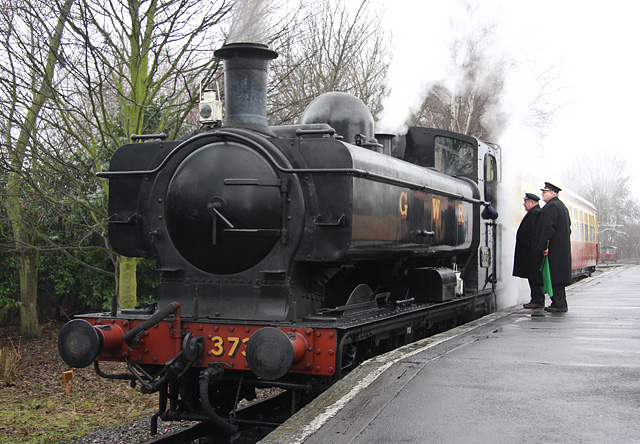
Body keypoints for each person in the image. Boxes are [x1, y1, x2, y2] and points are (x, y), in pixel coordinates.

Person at [532, 182, 572, 312]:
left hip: (553, 249)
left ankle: (559, 304)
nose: (542, 194)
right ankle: (559, 302)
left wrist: (544, 245)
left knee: (553, 276)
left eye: (545, 192)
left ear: (552, 193)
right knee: (557, 277)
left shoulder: (552, 206)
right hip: (559, 248)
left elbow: (548, 228)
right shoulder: (561, 207)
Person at [513, 193, 544, 309]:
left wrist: (528, 246)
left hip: (531, 252)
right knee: (532, 276)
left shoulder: (535, 213)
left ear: (532, 202)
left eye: (526, 202)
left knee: (534, 276)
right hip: (529, 251)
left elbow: (533, 233)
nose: (524, 204)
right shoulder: (533, 213)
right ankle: (536, 299)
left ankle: (538, 299)